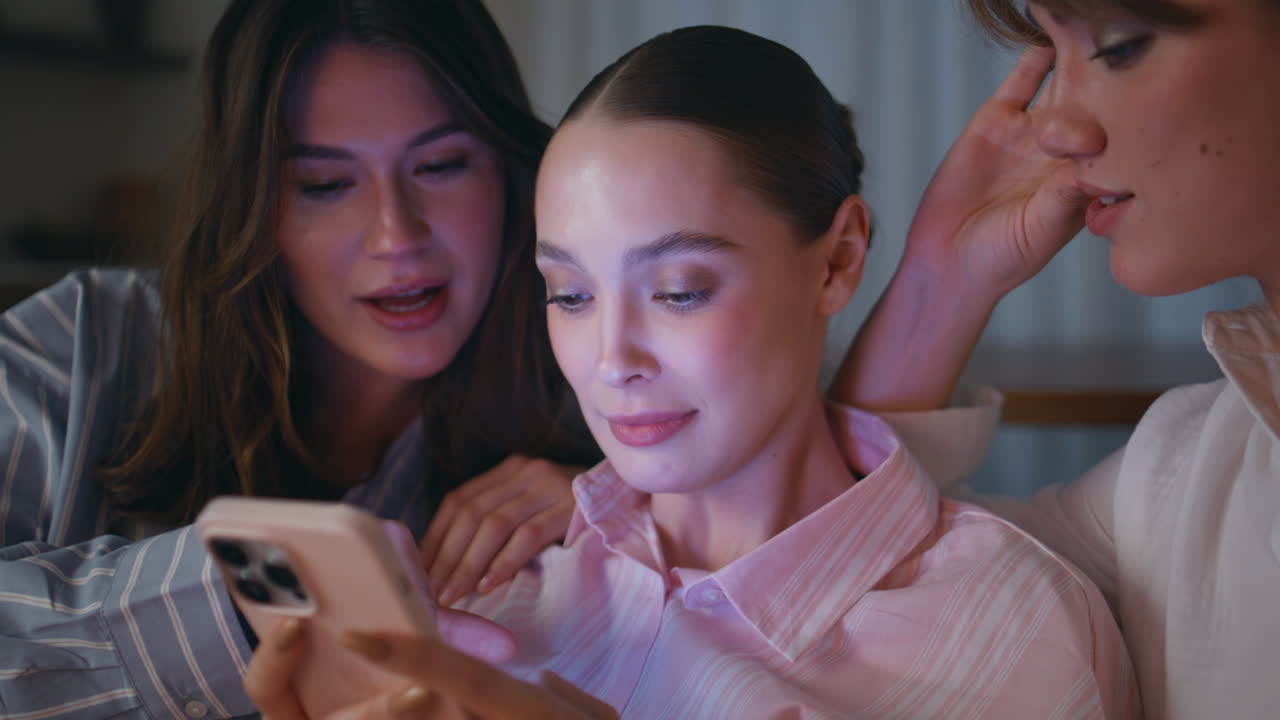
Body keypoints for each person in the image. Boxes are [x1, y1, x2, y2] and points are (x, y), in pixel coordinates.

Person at [244, 25, 1139, 719]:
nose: (611, 361)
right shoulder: (490, 602)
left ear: (836, 262)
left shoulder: (1010, 628)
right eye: (569, 294)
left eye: (677, 291)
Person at [0, 1, 600, 717]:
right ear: (250, 203)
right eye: (325, 183)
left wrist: (630, 510)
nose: (395, 234)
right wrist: (260, 593)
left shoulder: (599, 398)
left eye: (441, 165)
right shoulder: (81, 340)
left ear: (510, 171)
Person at [826, 0, 1280, 718]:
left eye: (1120, 46)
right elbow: (831, 582)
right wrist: (941, 279)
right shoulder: (1181, 476)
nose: (1055, 128)